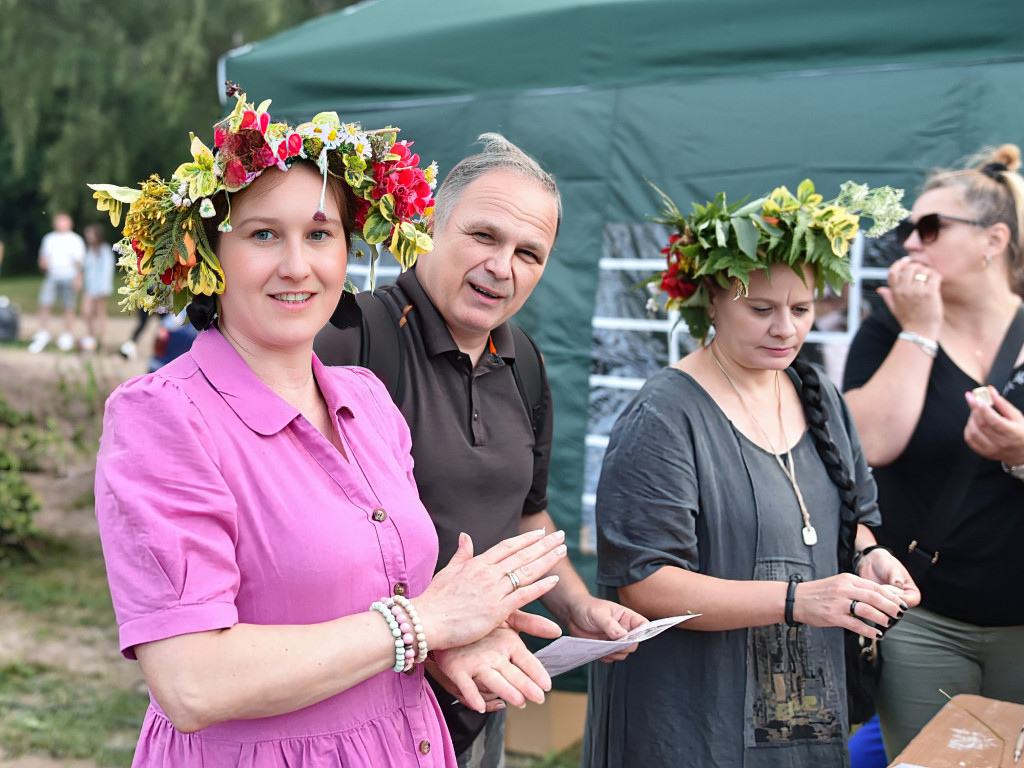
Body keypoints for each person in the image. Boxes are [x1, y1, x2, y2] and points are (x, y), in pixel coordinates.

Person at [89, 91, 573, 767]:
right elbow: (192, 680)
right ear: (208, 254)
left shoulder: (368, 401)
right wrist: (423, 623)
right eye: (263, 234)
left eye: (320, 235)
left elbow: (375, 592)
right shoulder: (164, 416)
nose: (297, 265)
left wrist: (457, 626)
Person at [314, 133, 648, 767]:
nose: (504, 267)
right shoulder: (352, 337)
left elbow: (526, 515)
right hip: (360, 711)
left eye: (530, 253)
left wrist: (576, 606)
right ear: (430, 225)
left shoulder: (523, 362)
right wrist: (433, 636)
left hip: (478, 706)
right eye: (484, 237)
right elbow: (302, 538)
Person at [582, 180, 921, 768]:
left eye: (801, 309)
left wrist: (869, 558)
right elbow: (646, 584)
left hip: (800, 710)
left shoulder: (819, 397)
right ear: (711, 298)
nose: (785, 330)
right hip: (692, 716)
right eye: (761, 309)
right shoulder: (664, 413)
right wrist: (796, 600)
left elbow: (852, 517)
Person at [843, 144, 1024, 757]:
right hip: (925, 618)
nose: (910, 244)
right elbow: (867, 443)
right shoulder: (892, 324)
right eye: (905, 230)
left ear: (993, 240)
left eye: (929, 228)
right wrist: (919, 328)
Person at [29, 211, 85, 353]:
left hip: (69, 276)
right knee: (45, 303)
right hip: (52, 276)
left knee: (68, 306)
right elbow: (43, 256)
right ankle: (43, 332)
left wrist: (78, 278)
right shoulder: (49, 239)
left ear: (70, 223)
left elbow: (79, 262)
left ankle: (67, 334)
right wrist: (43, 265)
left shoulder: (75, 240)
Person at [81, 223, 115, 351]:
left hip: (101, 287)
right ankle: (91, 336)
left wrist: (103, 289)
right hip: (90, 287)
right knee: (87, 312)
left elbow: (107, 271)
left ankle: (100, 339)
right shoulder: (89, 250)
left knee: (99, 312)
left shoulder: (104, 250)